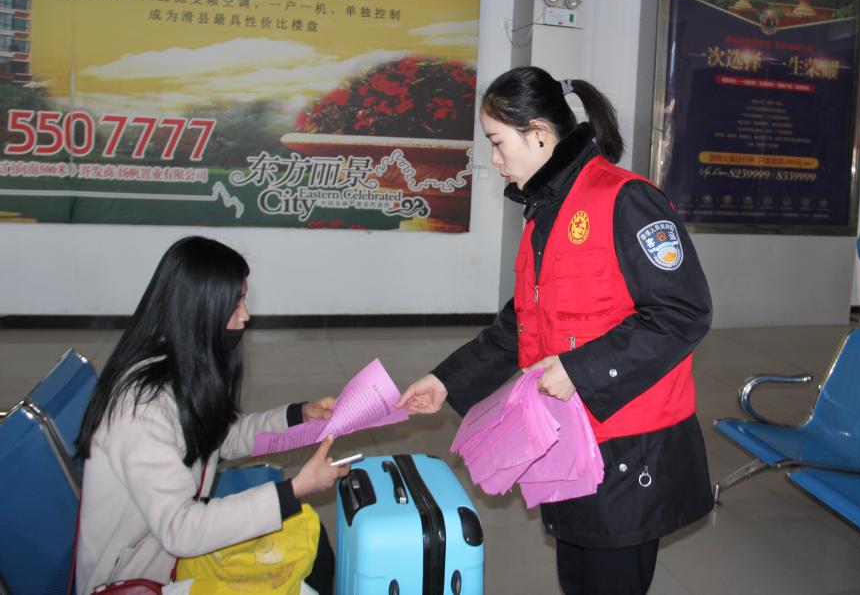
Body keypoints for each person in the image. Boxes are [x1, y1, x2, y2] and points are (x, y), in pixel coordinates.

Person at [397, 66, 714, 595]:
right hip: (568, 441)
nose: (495, 160)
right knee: (577, 579)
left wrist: (580, 369)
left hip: (626, 449)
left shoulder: (625, 200)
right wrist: (446, 380)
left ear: (540, 134)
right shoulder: (544, 212)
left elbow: (682, 313)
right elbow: (522, 321)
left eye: (498, 142)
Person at [75, 236, 350, 594]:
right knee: (304, 569)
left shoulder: (177, 365)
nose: (245, 315)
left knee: (311, 542)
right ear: (200, 310)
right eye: (236, 303)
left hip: (169, 554)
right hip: (138, 579)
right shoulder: (140, 407)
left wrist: (299, 417)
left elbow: (224, 437)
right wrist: (294, 490)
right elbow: (181, 529)